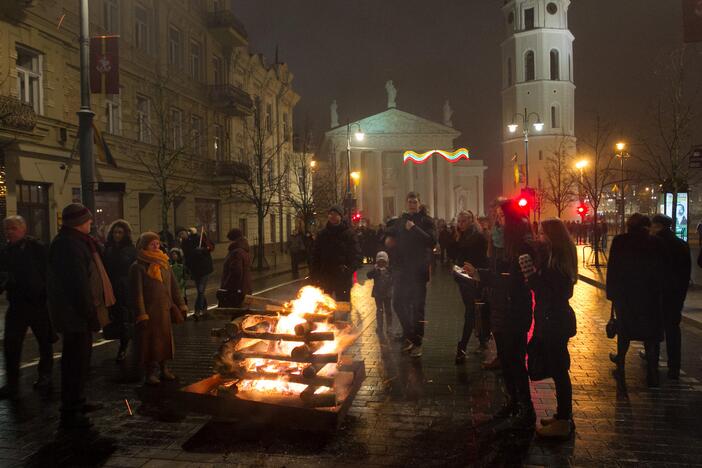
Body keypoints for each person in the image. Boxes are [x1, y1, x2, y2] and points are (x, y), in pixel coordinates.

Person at [464, 198, 535, 428]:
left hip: (515, 308)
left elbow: (515, 281)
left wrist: (482, 275)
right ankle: (512, 401)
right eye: (496, 216)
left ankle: (526, 407)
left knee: (515, 360)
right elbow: (497, 273)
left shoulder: (522, 245)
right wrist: (479, 273)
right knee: (505, 360)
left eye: (502, 216)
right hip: (500, 307)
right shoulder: (499, 243)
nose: (498, 221)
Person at [48, 203, 115, 430]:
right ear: (77, 222)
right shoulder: (68, 245)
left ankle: (77, 400)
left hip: (77, 312)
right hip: (74, 314)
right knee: (74, 361)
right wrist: (90, 314)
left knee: (80, 360)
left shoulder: (79, 242)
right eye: (87, 220)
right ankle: (71, 406)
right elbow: (77, 284)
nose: (91, 223)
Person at [520, 218, 578, 439]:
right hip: (551, 319)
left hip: (555, 321)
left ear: (552, 236)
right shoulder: (553, 256)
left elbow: (549, 292)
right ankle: (562, 415)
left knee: (559, 371)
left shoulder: (559, 261)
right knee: (557, 369)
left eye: (543, 233)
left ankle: (564, 420)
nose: (539, 237)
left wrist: (531, 277)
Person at [606, 213, 666, 388]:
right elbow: (662, 270)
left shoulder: (620, 241)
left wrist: (612, 293)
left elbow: (613, 269)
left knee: (624, 329)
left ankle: (621, 361)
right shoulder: (656, 243)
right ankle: (652, 370)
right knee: (650, 333)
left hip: (625, 296)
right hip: (650, 296)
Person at [0, 216, 53, 399]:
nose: (9, 232)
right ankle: (12, 382)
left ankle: (45, 375)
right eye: (7, 228)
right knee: (11, 344)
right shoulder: (6, 251)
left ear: (23, 229)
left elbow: (47, 271)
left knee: (44, 341)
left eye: (13, 228)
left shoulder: (36, 247)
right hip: (17, 304)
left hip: (37, 303)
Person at [130, 232, 188, 385]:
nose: (156, 246)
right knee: (150, 343)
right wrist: (142, 313)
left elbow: (174, 287)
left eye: (157, 243)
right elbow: (138, 293)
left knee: (165, 341)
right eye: (151, 244)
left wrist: (180, 304)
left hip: (165, 310)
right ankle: (150, 372)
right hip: (150, 311)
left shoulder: (164, 263)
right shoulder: (138, 266)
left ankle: (164, 368)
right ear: (143, 246)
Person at [385, 192, 436, 358]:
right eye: (409, 202)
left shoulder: (426, 220)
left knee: (417, 307)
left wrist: (414, 228)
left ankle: (417, 343)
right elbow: (392, 232)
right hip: (402, 269)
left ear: (419, 203)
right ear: (406, 204)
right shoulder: (402, 220)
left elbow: (431, 241)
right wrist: (388, 238)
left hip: (419, 269)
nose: (412, 204)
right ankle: (410, 334)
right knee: (398, 302)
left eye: (415, 202)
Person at [650, 214, 690, 380]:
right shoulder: (681, 244)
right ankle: (674, 366)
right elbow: (685, 273)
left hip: (656, 293)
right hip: (674, 295)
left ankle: (653, 364)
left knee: (654, 330)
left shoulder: (653, 244)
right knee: (673, 330)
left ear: (658, 226)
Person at [450, 211, 488, 364]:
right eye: (459, 221)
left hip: (474, 278)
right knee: (473, 310)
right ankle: (480, 340)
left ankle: (463, 345)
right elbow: (455, 254)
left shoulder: (477, 236)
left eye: (464, 220)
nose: (461, 223)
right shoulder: (462, 235)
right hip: (464, 278)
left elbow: (478, 256)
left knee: (472, 311)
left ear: (471, 221)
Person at [103, 219, 137, 362]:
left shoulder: (130, 250)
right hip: (111, 287)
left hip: (125, 288)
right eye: (115, 232)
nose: (117, 235)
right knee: (114, 317)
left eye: (120, 232)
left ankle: (124, 347)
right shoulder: (108, 249)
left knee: (125, 318)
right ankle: (121, 341)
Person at [310, 205, 362, 301]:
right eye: (330, 214)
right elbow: (315, 256)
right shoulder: (322, 234)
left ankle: (342, 316)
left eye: (335, 214)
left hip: (342, 279)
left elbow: (356, 255)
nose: (332, 216)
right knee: (325, 307)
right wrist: (314, 275)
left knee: (343, 307)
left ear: (340, 217)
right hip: (326, 278)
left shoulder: (349, 234)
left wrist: (348, 270)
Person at [182, 227, 214, 320]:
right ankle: (204, 309)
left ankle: (197, 311)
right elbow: (187, 256)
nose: (182, 236)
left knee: (200, 290)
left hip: (204, 269)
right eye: (180, 235)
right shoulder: (185, 243)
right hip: (195, 270)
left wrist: (203, 250)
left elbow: (211, 247)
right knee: (201, 291)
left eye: (183, 233)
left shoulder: (199, 238)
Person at [219, 228, 252, 308]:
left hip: (236, 292)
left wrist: (226, 288)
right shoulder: (244, 250)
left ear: (233, 240)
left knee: (235, 315)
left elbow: (236, 273)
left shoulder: (236, 252)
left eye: (229, 240)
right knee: (241, 315)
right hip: (244, 289)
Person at [366, 251, 393, 337]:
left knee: (388, 310)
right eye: (379, 262)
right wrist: (375, 270)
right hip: (378, 293)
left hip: (387, 293)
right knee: (380, 310)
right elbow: (368, 275)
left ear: (386, 262)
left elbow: (394, 277)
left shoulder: (389, 269)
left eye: (383, 262)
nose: (381, 264)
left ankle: (389, 326)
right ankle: (380, 326)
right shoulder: (375, 270)